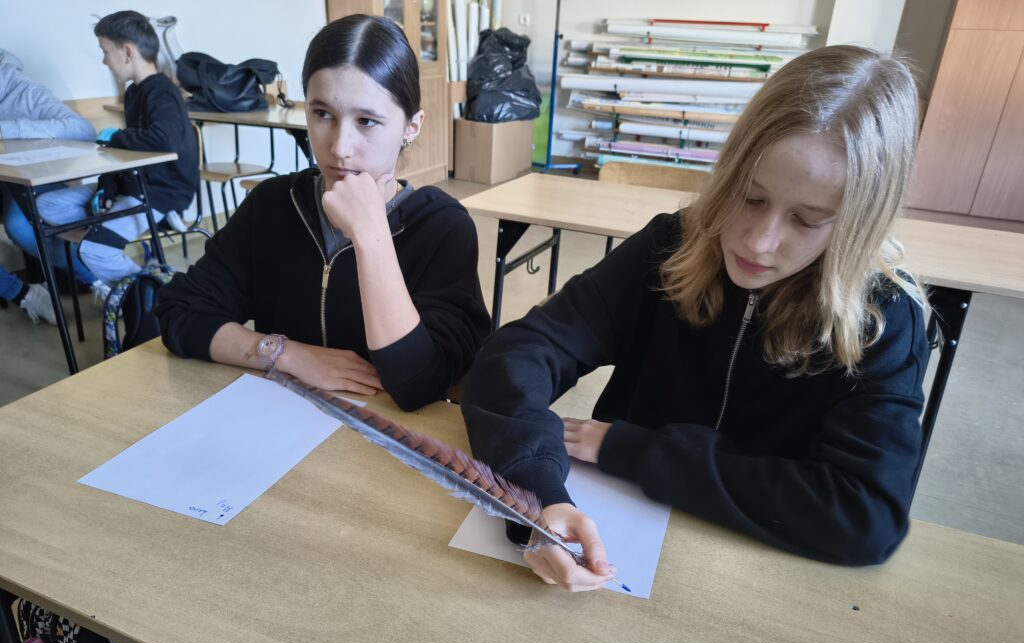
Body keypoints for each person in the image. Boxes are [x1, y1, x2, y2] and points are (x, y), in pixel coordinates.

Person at [461, 45, 930, 590]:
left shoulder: (882, 318)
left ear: (859, 224)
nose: (759, 241)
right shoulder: (670, 245)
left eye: (807, 220)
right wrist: (538, 492)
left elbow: (864, 513)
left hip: (761, 583)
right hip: (617, 552)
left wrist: (636, 451)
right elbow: (517, 356)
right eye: (749, 197)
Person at [157, 14, 490, 412]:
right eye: (322, 114)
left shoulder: (443, 227)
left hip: (383, 436)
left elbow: (419, 384)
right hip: (283, 419)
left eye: (367, 121)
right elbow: (180, 313)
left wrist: (371, 237)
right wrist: (285, 354)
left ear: (411, 126)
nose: (339, 148)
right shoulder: (273, 204)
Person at [33, 11, 197, 298]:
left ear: (127, 52)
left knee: (94, 250)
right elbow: (125, 153)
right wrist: (106, 186)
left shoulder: (162, 91)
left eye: (105, 51)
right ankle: (105, 236)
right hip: (133, 183)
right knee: (47, 205)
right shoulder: (134, 93)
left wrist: (116, 136)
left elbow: (164, 139)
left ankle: (161, 298)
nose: (104, 61)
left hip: (160, 192)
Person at [0, 50, 97, 324]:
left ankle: (101, 279)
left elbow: (83, 130)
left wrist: (6, 129)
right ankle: (24, 294)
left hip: (25, 180)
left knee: (19, 226)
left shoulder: (26, 93)